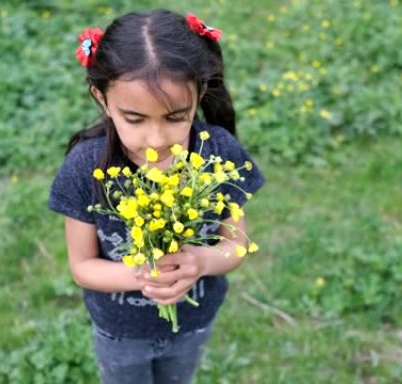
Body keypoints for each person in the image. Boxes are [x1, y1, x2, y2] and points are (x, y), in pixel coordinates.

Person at [48, 9, 265, 384]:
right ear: (101, 98)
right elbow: (82, 266)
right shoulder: (86, 167)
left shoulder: (218, 155)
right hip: (120, 332)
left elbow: (236, 245)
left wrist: (201, 261)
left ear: (200, 94)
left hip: (194, 323)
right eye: (135, 119)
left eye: (176, 117)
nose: (156, 139)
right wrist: (144, 274)